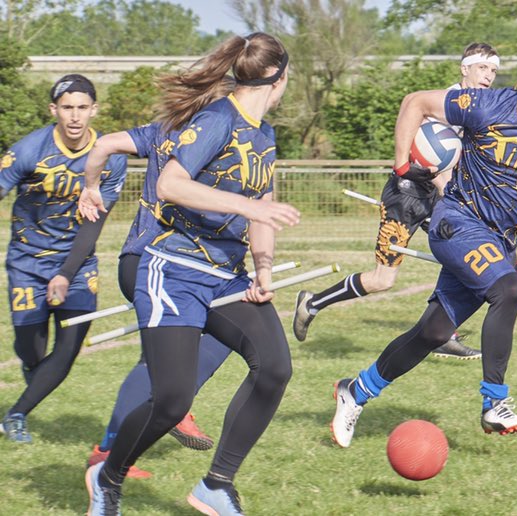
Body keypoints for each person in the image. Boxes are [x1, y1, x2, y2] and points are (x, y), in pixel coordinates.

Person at [80, 32, 300, 515]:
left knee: (275, 368)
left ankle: (216, 484)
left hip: (227, 275)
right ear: (280, 78)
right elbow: (173, 183)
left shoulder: (265, 134)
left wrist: (263, 268)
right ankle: (108, 476)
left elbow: (260, 208)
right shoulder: (217, 118)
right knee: (173, 402)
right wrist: (242, 204)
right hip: (174, 268)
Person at [328, 47, 517, 448]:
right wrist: (402, 167)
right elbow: (414, 103)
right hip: (456, 221)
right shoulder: (486, 105)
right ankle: (494, 403)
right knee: (508, 292)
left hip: (500, 242)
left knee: (432, 333)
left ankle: (356, 390)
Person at [292, 42, 502, 359]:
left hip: (437, 198)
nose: (489, 76)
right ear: (465, 68)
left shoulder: (476, 111)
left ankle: (443, 332)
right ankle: (312, 302)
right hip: (406, 197)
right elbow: (430, 161)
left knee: (462, 257)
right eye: (483, 68)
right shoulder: (442, 105)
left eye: (494, 70)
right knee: (382, 279)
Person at [80, 119, 235, 478]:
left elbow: (102, 144)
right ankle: (110, 451)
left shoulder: (164, 128)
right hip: (158, 261)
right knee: (159, 362)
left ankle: (166, 404)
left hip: (167, 263)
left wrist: (90, 186)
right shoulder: (210, 132)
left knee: (193, 343)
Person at [0, 75, 127, 444]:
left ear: (94, 110)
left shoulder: (109, 156)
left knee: (69, 346)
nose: (75, 116)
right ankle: (33, 379)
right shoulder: (27, 151)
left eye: (82, 108)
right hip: (27, 262)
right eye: (67, 107)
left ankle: (16, 414)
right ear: (54, 109)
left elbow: (95, 221)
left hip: (78, 263)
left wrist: (67, 273)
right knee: (31, 349)